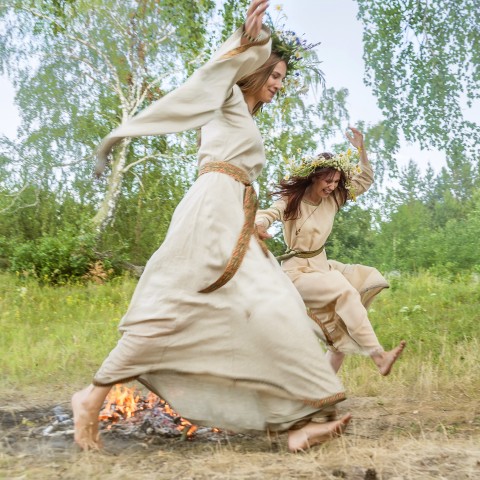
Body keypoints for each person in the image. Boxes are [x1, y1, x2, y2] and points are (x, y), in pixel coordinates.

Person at [72, 0, 351, 453]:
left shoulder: (242, 114)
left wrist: (252, 222)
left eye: (282, 77)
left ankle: (293, 422)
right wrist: (251, 37)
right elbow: (217, 68)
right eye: (275, 76)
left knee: (273, 304)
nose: (279, 85)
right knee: (167, 311)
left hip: (234, 213)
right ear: (255, 72)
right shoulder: (225, 97)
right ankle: (90, 400)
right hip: (209, 210)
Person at [255, 127, 406, 374]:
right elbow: (269, 213)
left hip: (322, 266)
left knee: (339, 339)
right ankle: (379, 357)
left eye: (336, 181)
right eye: (328, 180)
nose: (332, 186)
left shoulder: (334, 198)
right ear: (314, 177)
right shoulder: (293, 200)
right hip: (297, 273)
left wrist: (361, 149)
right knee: (344, 291)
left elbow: (365, 180)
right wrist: (260, 225)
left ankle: (324, 396)